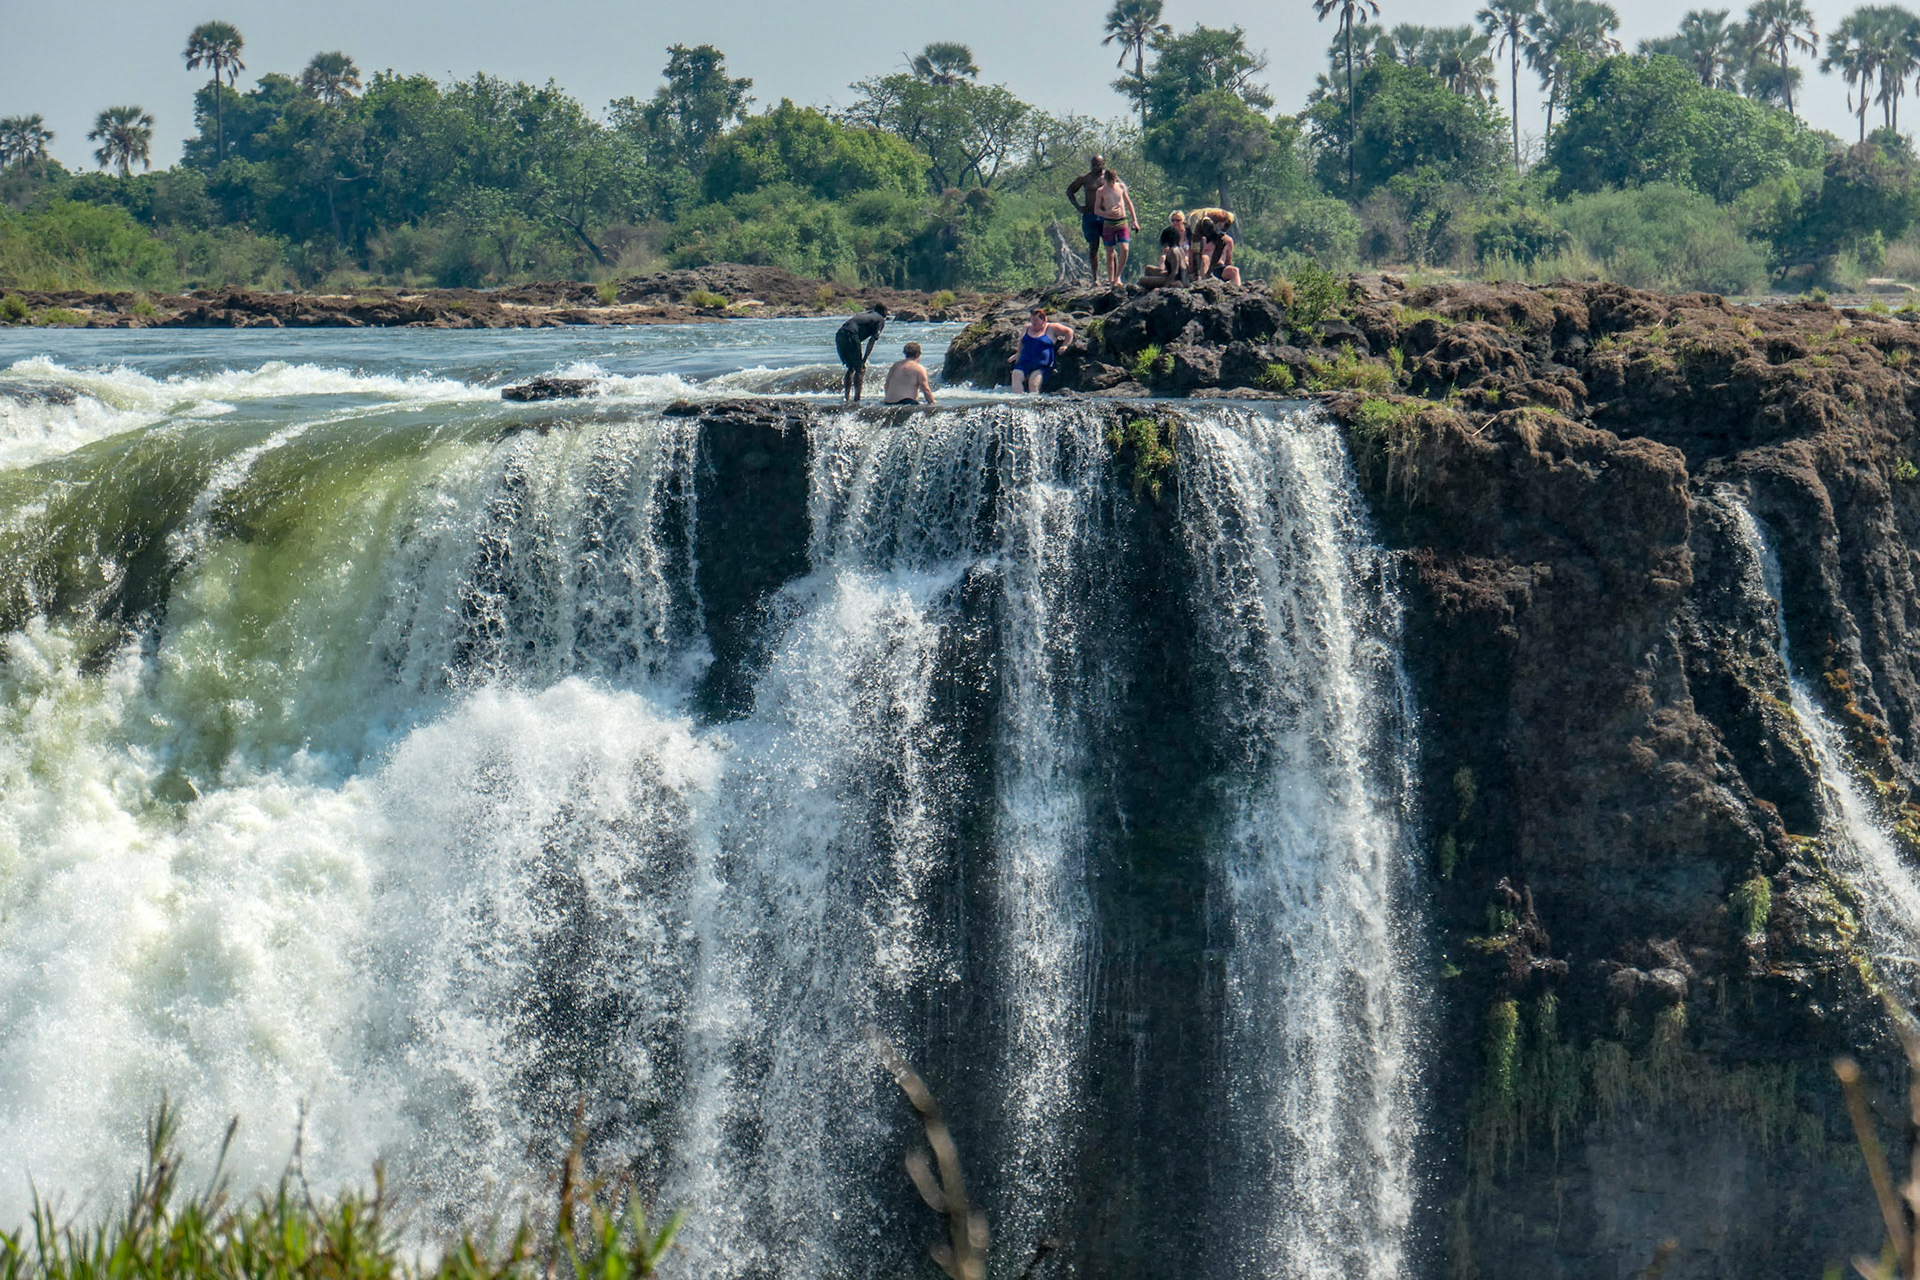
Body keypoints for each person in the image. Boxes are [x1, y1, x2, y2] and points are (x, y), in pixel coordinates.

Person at [1008, 306, 1074, 393]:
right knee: (1015, 375)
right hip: (1024, 362)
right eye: (1032, 320)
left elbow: (1069, 332)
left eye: (1036, 321)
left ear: (1044, 320)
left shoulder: (1052, 328)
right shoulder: (1027, 327)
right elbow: (1021, 340)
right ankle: (1017, 401)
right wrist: (1018, 354)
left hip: (1041, 365)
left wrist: (1065, 345)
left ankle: (1032, 403)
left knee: (1033, 385)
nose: (1033, 323)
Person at [1092, 168, 1139, 285]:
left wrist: (1135, 220)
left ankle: (1118, 277)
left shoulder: (1121, 187)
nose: (1111, 184)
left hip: (1122, 222)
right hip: (1108, 223)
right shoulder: (1101, 191)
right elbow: (1096, 210)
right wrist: (1107, 213)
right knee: (1110, 253)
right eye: (1109, 182)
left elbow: (1129, 203)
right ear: (1105, 180)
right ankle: (1111, 279)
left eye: (1113, 181)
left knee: (1125, 248)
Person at [1065, 154, 1108, 281]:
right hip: (1090, 215)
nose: (1095, 167)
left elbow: (1122, 189)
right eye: (1093, 164)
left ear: (1103, 164)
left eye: (1098, 164)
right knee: (1093, 247)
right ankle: (1095, 278)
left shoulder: (1109, 177)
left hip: (1106, 216)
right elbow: (1070, 191)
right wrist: (1078, 207)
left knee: (1110, 246)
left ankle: (1114, 278)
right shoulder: (1085, 178)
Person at [836, 302, 888, 402]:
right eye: (886, 313)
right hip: (851, 334)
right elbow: (872, 341)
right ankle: (857, 399)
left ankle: (846, 397)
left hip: (839, 335)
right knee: (859, 369)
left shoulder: (868, 315)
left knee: (851, 367)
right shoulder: (880, 320)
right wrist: (864, 360)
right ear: (883, 311)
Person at [884, 342, 936, 406]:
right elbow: (925, 389)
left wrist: (888, 398)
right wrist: (933, 402)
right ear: (919, 354)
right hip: (907, 402)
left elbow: (887, 385)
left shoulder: (895, 366)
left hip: (889, 402)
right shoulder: (919, 368)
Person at [1193, 217, 1242, 285]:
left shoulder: (1227, 240)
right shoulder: (1202, 240)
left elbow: (1228, 261)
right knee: (1205, 258)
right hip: (1205, 268)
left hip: (1219, 268)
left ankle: (1238, 291)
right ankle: (1204, 284)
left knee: (1234, 270)